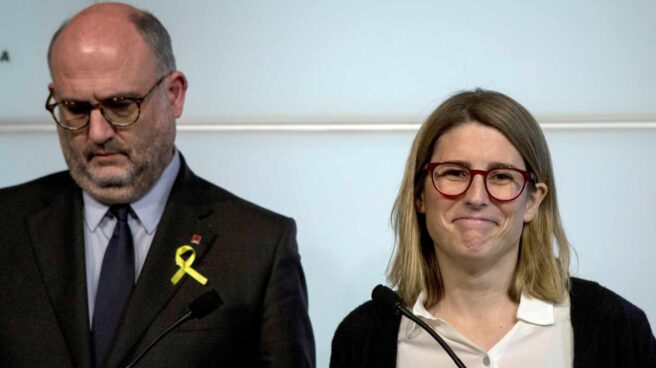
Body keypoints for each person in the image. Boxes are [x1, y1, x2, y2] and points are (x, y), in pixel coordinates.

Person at [0, 3, 314, 368]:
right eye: (76, 109)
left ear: (174, 94)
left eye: (120, 105)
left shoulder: (257, 246)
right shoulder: (6, 225)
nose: (97, 133)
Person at [330, 89, 656, 367]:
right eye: (455, 172)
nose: (475, 197)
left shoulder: (616, 327)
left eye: (501, 176)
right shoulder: (363, 338)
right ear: (420, 195)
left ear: (532, 201)